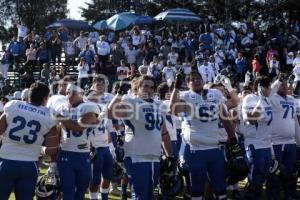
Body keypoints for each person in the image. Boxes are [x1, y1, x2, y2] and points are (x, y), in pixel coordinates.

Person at [170, 71, 242, 200]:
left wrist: (233, 140)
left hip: (214, 148)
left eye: (198, 78)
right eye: (192, 79)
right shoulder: (186, 95)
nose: (196, 81)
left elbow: (225, 119)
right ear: (188, 84)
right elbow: (173, 110)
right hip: (195, 150)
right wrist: (176, 86)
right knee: (197, 188)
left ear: (203, 81)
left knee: (220, 187)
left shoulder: (215, 94)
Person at [107, 75, 174, 200]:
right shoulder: (131, 102)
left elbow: (164, 133)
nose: (148, 89)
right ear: (137, 88)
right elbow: (110, 112)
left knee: (149, 194)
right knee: (140, 194)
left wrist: (170, 156)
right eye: (145, 86)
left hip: (154, 157)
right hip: (136, 157)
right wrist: (119, 94)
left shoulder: (158, 106)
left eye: (151, 87)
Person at [0, 82, 59, 200]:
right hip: (29, 164)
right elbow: (51, 149)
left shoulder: (13, 105)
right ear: (45, 98)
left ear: (29, 96)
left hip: (6, 162)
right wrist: (39, 148)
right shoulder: (49, 115)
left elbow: (1, 130)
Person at [53, 83, 100, 200]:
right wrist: (53, 160)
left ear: (82, 94)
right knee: (67, 191)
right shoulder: (62, 108)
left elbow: (78, 127)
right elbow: (57, 133)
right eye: (68, 92)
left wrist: (58, 116)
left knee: (81, 192)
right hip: (65, 154)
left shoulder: (89, 107)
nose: (70, 95)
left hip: (83, 155)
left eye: (74, 93)